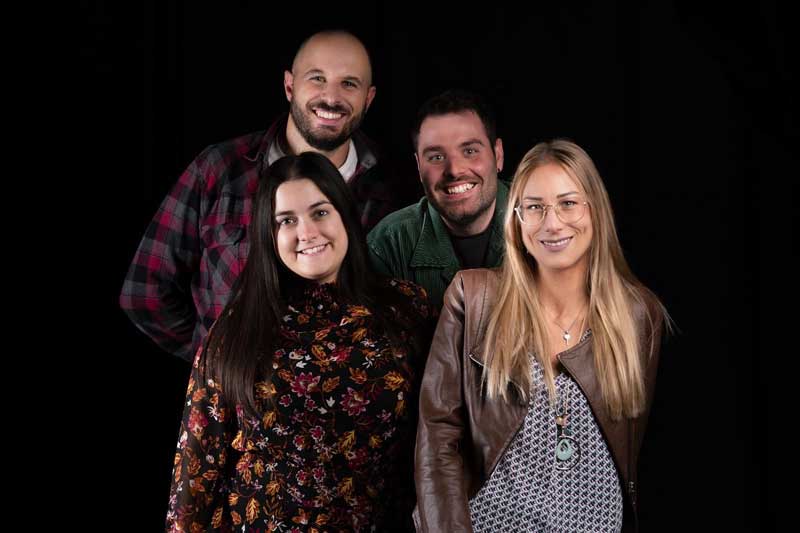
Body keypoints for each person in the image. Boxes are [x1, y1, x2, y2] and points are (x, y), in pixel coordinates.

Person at [166, 153, 432, 532]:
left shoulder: (406, 310)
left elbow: (440, 442)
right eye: (287, 221)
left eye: (320, 212)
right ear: (269, 235)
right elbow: (195, 474)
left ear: (345, 216)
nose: (306, 232)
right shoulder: (238, 329)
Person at [414, 139, 669, 532]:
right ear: (517, 219)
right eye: (534, 207)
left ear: (595, 210)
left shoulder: (639, 314)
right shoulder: (475, 298)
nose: (552, 223)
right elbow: (438, 437)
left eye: (568, 203)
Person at [121, 30, 398, 361]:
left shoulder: (392, 185)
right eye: (317, 78)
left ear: (368, 98)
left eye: (349, 83)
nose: (331, 97)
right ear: (289, 86)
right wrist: (215, 359)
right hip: (234, 390)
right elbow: (144, 292)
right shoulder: (220, 169)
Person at [367, 90, 507, 310]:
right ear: (418, 166)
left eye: (470, 151)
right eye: (437, 157)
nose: (454, 170)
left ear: (498, 155)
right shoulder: (387, 245)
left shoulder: (544, 219)